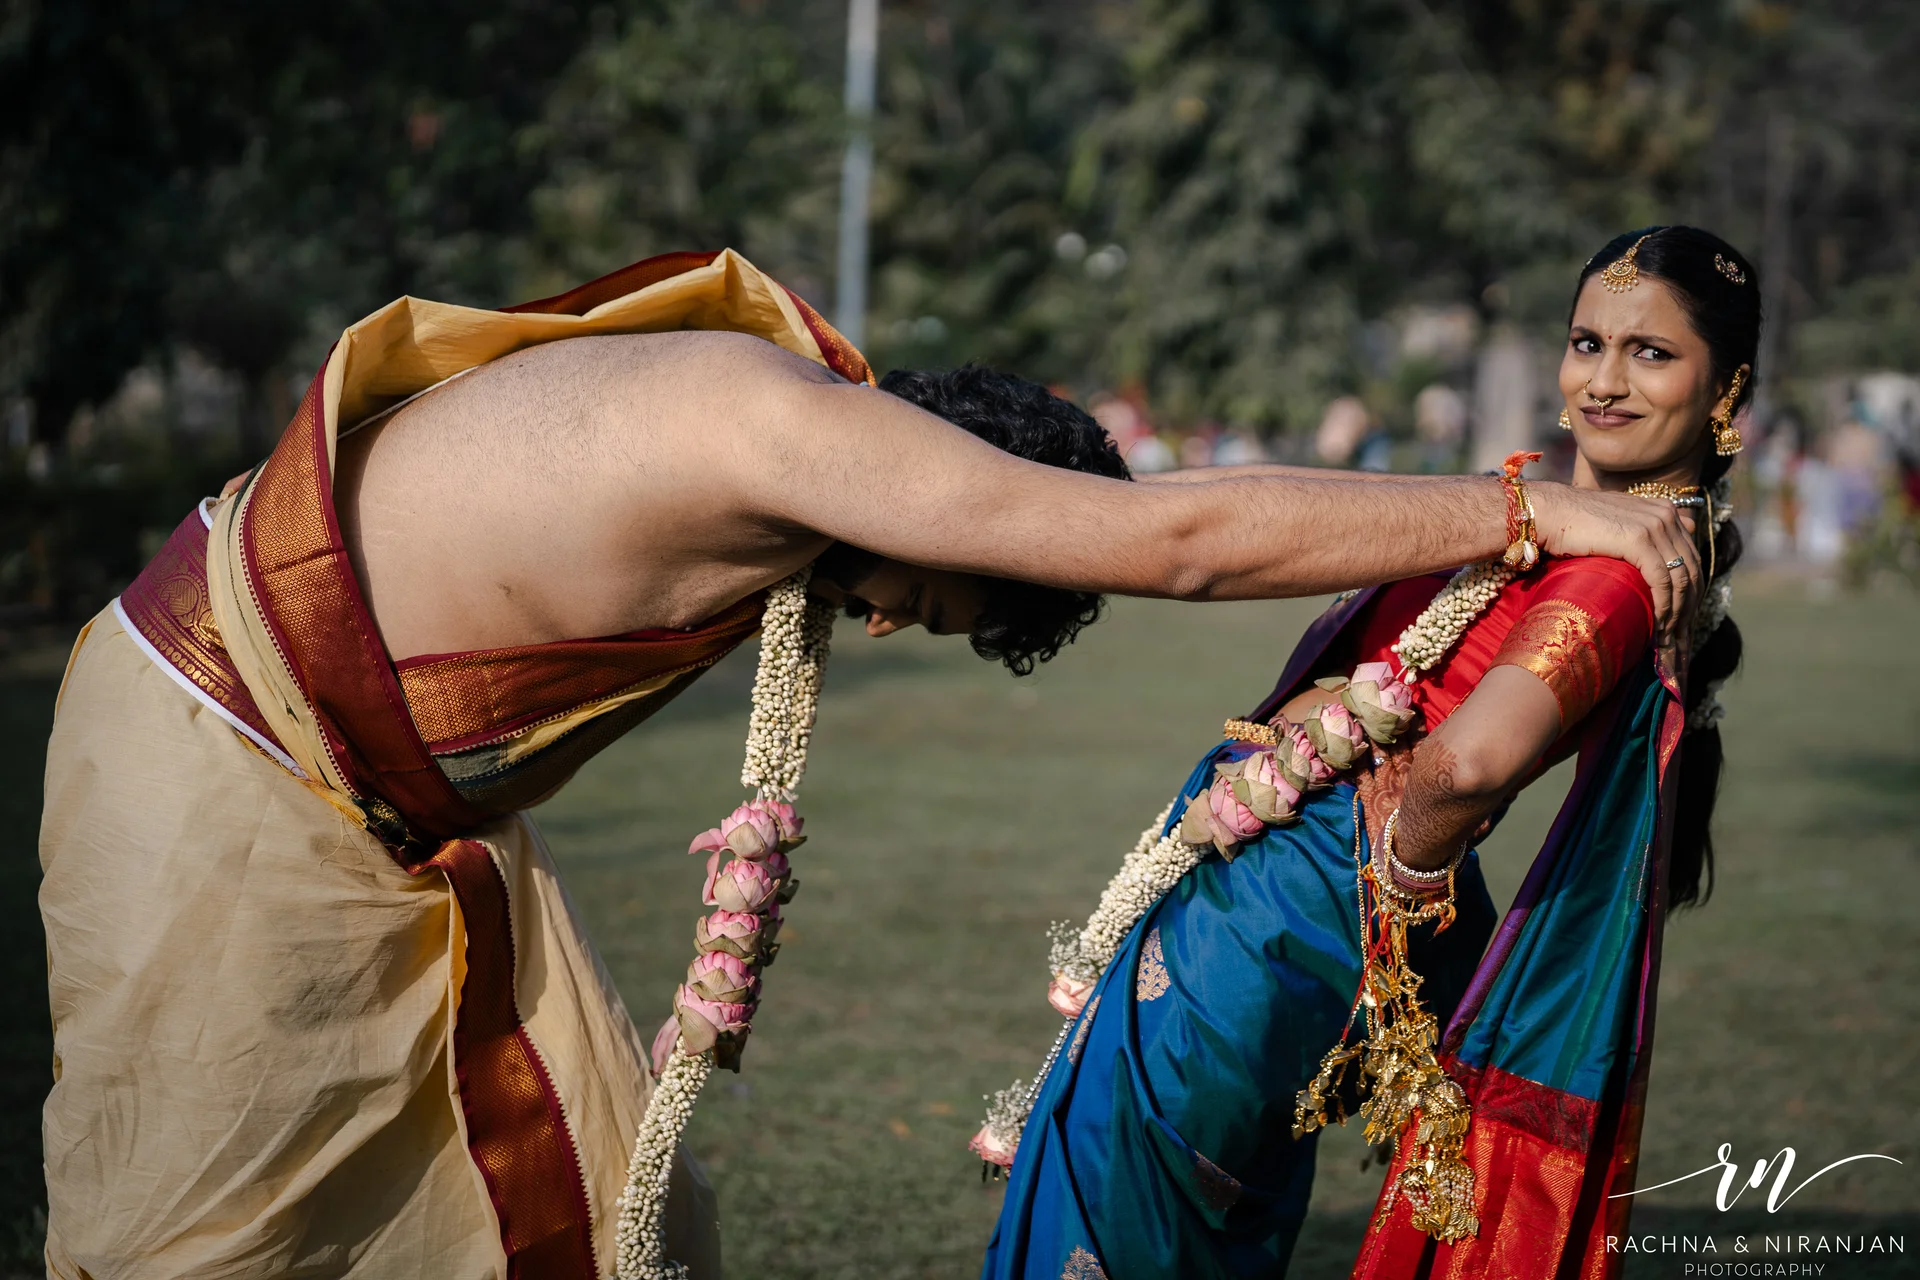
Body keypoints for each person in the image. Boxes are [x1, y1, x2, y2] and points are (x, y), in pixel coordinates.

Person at [38, 250, 1700, 1280]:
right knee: (203, 1237)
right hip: (230, 754)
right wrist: (1529, 510)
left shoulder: (785, 434)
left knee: (620, 1223)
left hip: (377, 809)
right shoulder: (798, 438)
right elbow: (1178, 540)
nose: (895, 621)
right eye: (940, 594)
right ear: (948, 489)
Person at [979, 225, 1756, 1279]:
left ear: (1728, 387)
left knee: (1131, 1200)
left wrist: (1393, 880)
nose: (1604, 380)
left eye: (1651, 353)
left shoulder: (1620, 575)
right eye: (1586, 342)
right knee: (1186, 1207)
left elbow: (1472, 765)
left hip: (1292, 906)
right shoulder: (1554, 517)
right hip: (1276, 891)